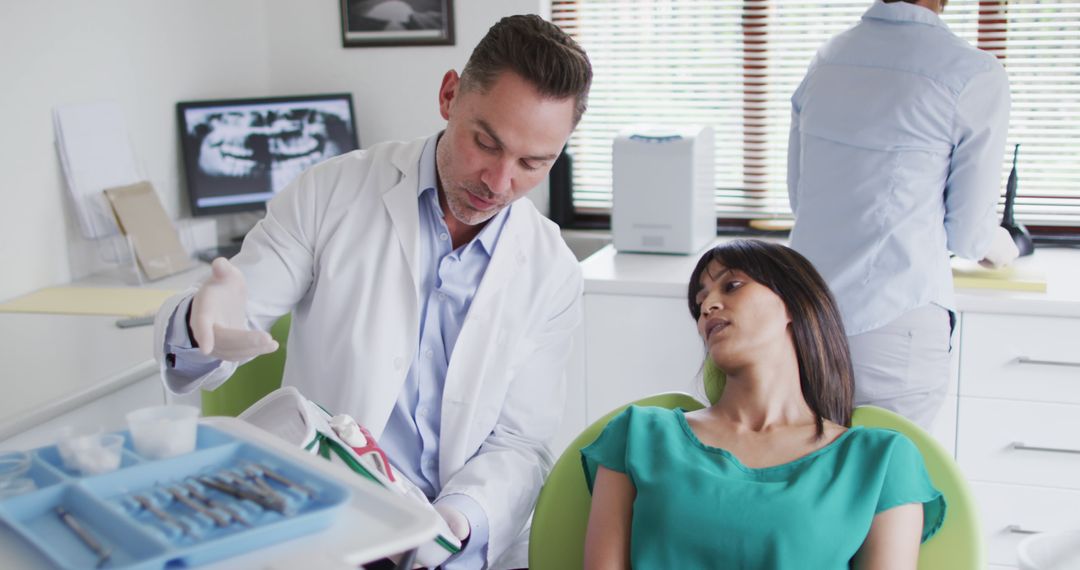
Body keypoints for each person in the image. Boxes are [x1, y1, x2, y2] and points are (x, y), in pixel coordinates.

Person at [153, 14, 592, 569]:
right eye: (486, 143)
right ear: (449, 94)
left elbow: (520, 442)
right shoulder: (330, 192)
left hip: (450, 538)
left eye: (534, 164)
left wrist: (458, 522)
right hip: (325, 520)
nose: (499, 182)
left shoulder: (552, 269)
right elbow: (235, 310)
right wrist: (201, 324)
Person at [581, 239, 945, 569]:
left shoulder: (880, 461)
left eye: (732, 285)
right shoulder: (639, 435)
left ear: (794, 303)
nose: (708, 305)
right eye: (699, 302)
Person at [786, 0, 1019, 429]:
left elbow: (801, 197)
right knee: (889, 487)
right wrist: (1006, 248)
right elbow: (968, 235)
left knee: (810, 481)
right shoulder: (972, 73)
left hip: (804, 321)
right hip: (893, 323)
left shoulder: (827, 59)